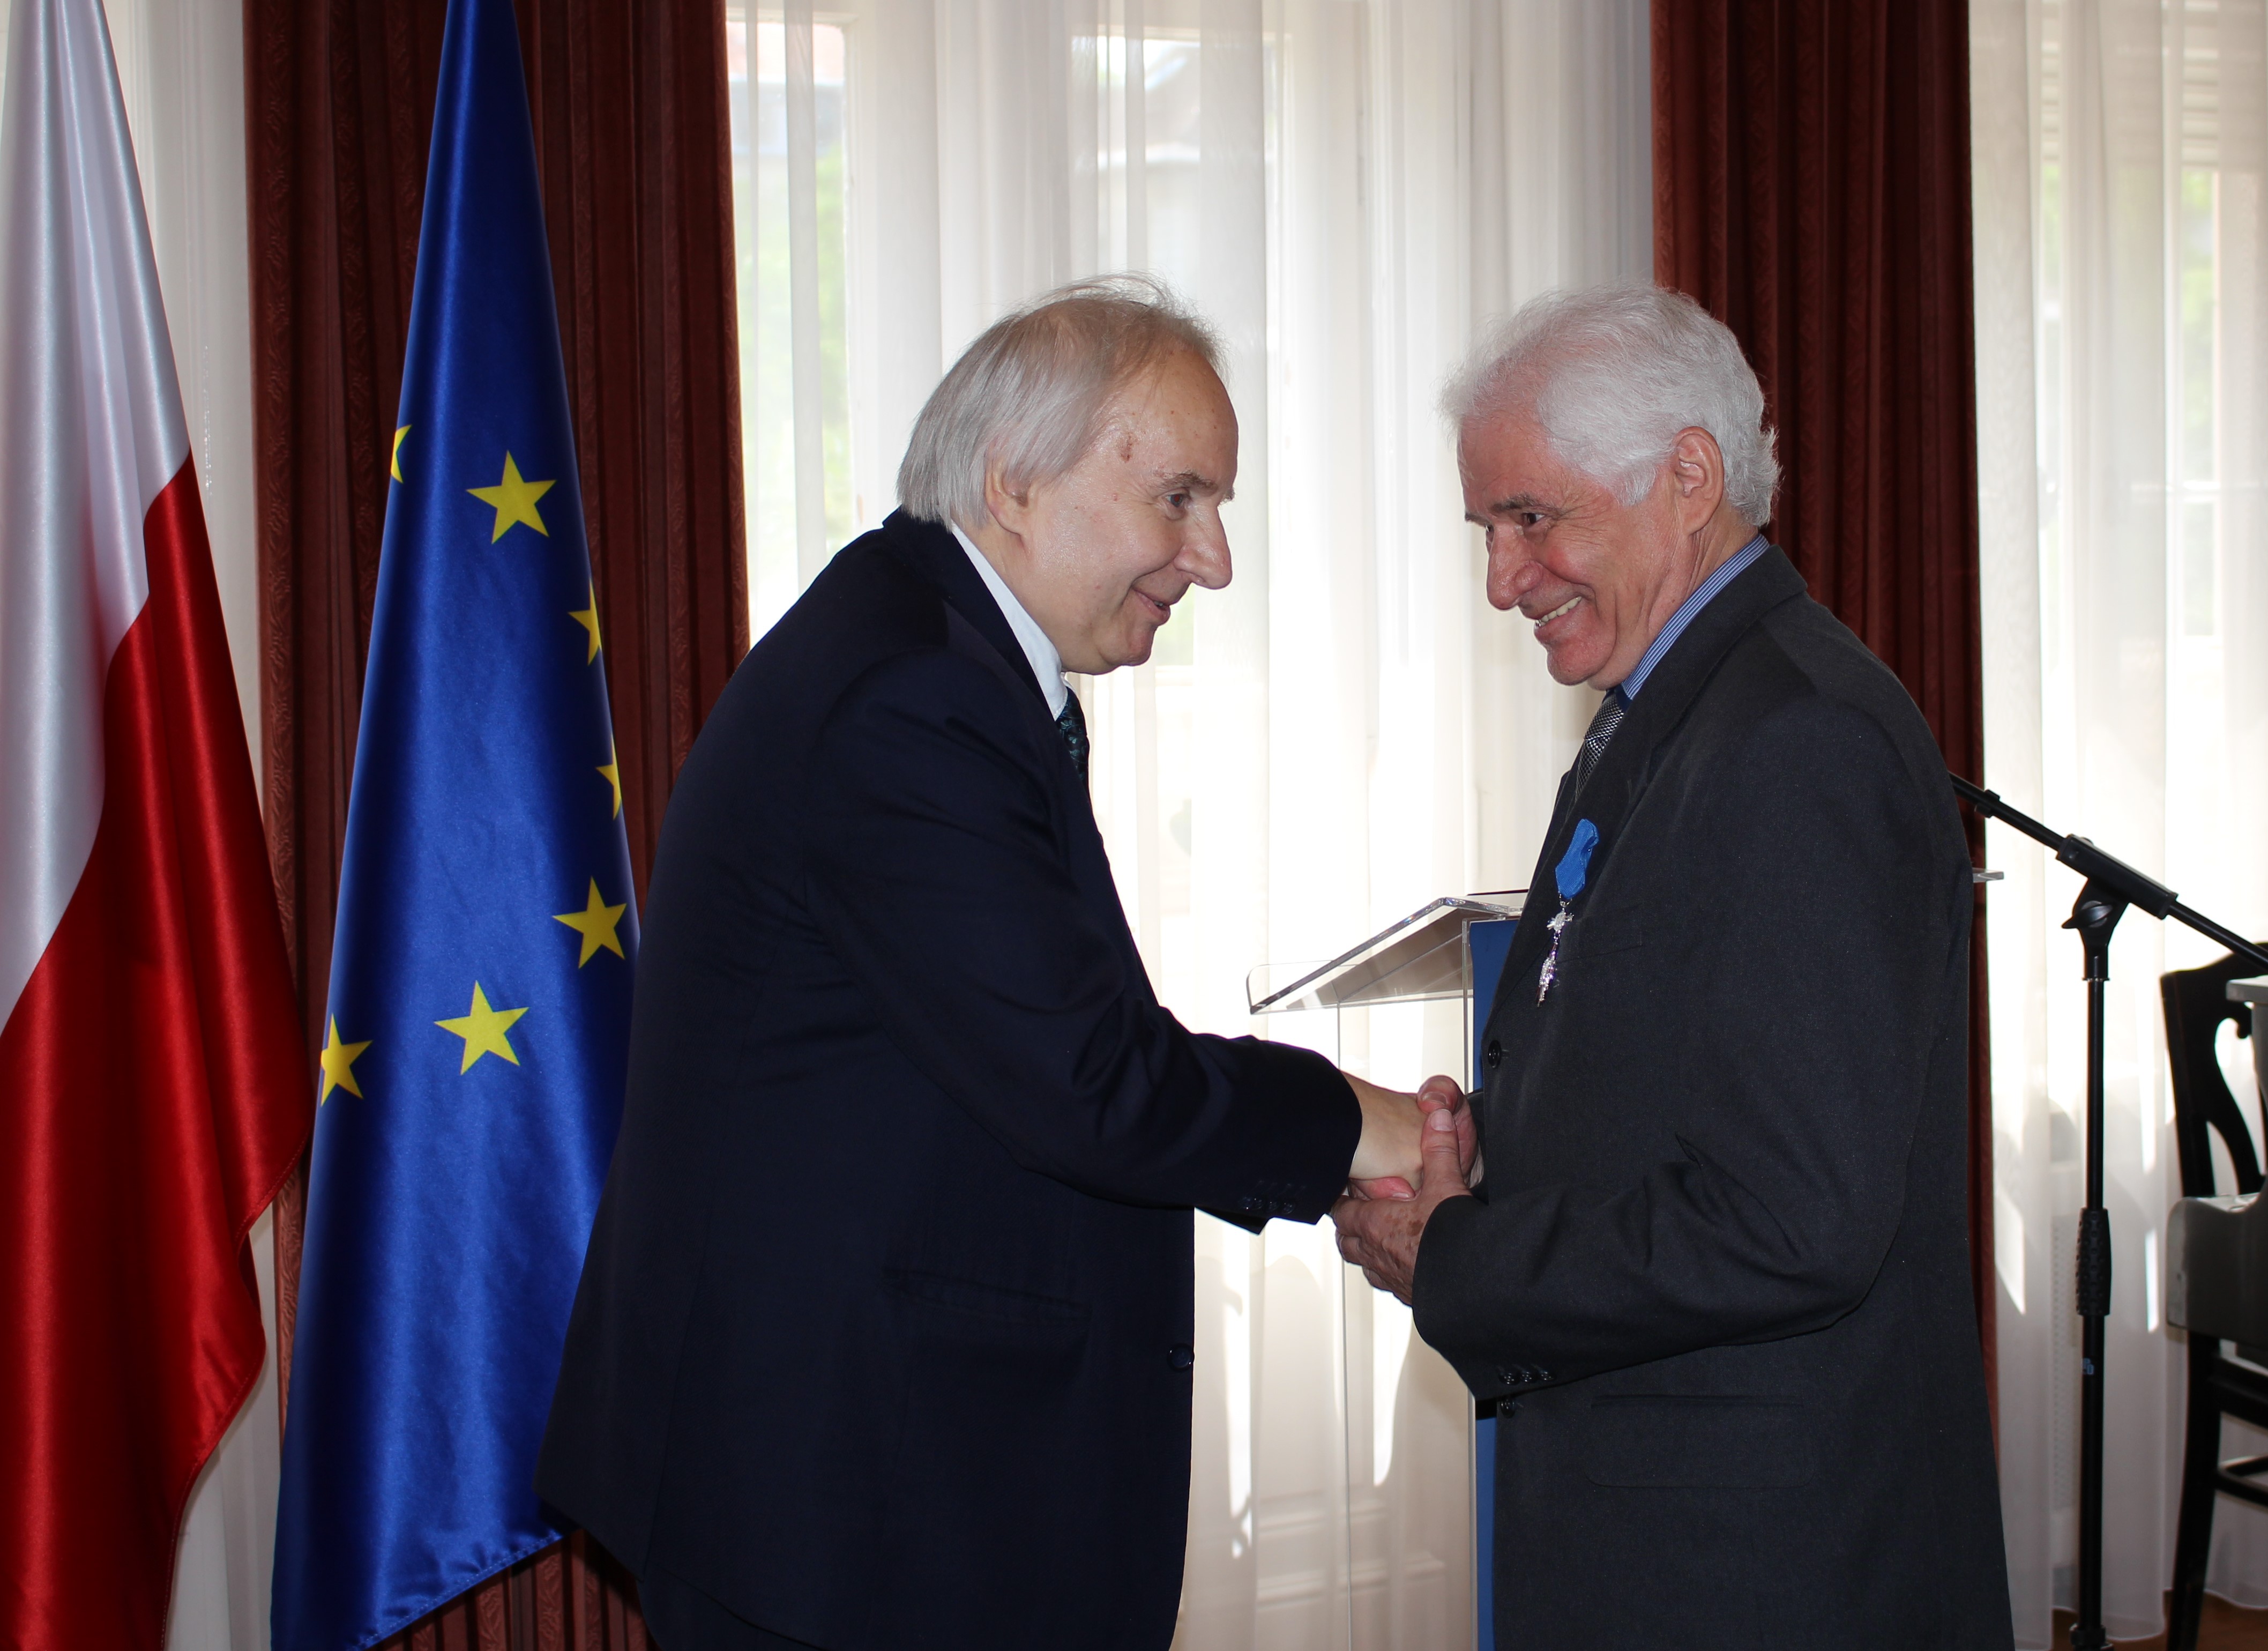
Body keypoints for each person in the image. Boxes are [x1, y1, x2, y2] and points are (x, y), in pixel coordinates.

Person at [538, 277, 1446, 1651]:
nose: (1213, 561)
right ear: (1015, 479)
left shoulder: (931, 644)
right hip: (838, 1506)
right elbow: (1090, 1079)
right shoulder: (911, 693)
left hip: (867, 1474)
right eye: (1180, 498)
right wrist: (1374, 1129)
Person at [1332, 283, 2012, 1647]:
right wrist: (1483, 1151)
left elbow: (1792, 1220)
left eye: (1533, 518)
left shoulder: (1796, 739)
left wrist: (1462, 1254)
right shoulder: (1679, 707)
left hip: (1760, 1566)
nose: (1502, 578)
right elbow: (1668, 1086)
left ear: (1688, 477)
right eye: (1487, 531)